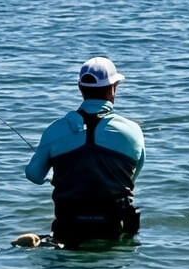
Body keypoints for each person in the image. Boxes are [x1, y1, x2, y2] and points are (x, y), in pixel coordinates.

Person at [25, 56, 145, 246]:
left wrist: (53, 175)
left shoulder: (55, 130)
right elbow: (131, 178)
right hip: (116, 229)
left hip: (70, 228)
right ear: (113, 88)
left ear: (80, 89)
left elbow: (33, 175)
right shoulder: (133, 131)